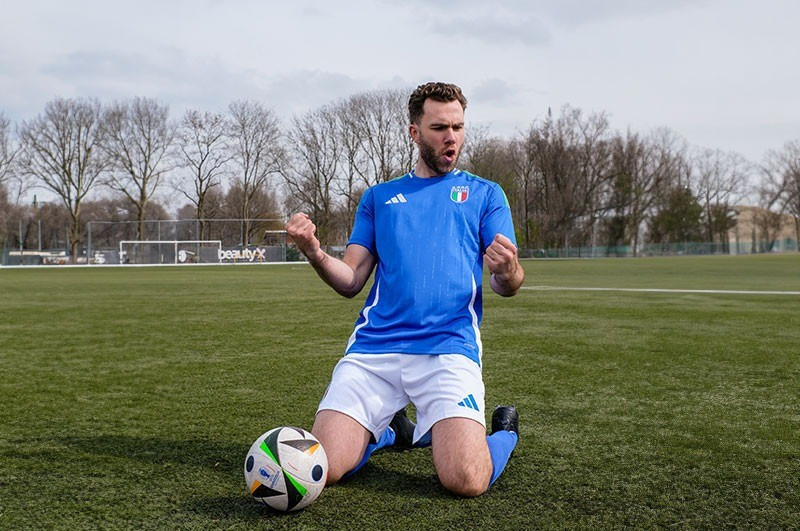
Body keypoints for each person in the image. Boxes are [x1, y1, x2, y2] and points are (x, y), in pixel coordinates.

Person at [285, 81, 525, 497]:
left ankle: (505, 433)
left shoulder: (486, 195)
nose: (451, 137)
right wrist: (314, 252)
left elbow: (507, 284)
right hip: (374, 351)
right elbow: (351, 280)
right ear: (415, 132)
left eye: (458, 127)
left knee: (465, 480)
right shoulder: (379, 198)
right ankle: (390, 432)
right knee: (323, 468)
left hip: (448, 349)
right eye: (439, 128)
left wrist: (509, 270)